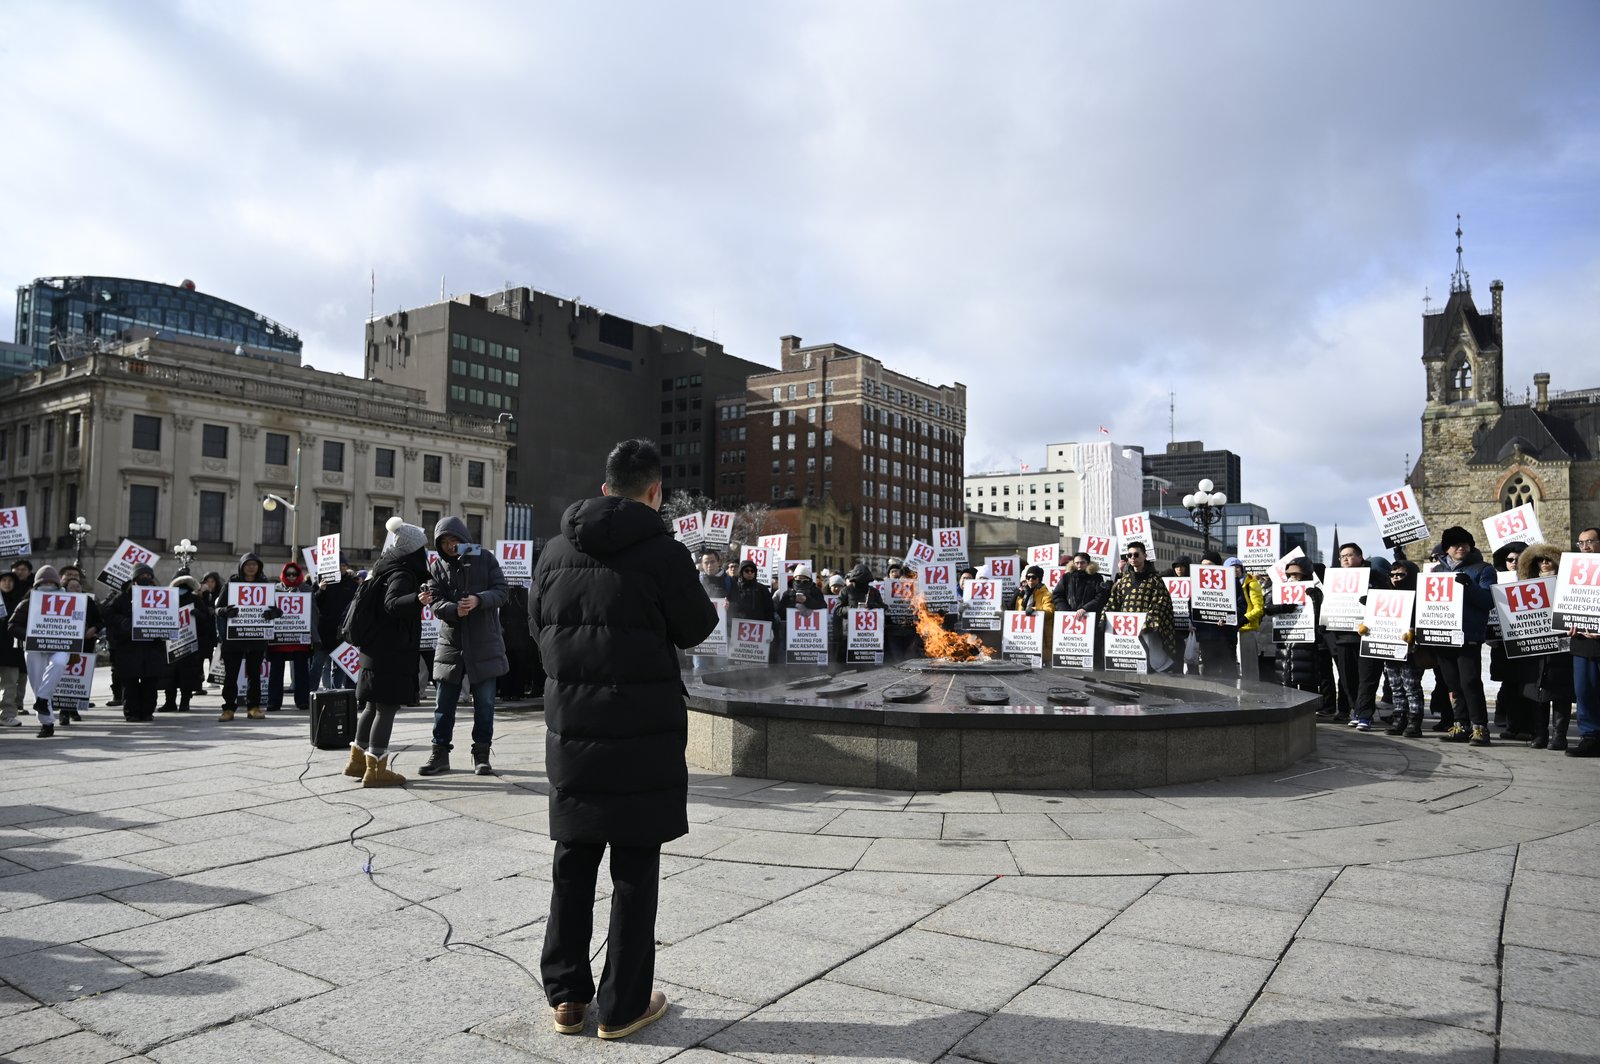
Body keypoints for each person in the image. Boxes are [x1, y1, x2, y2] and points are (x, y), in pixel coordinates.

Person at [530, 438, 718, 1040]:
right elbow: (695, 629)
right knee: (635, 864)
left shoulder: (555, 549)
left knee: (574, 855)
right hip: (643, 728)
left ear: (604, 485)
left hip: (574, 725)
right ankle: (622, 1005)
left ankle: (566, 995)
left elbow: (537, 628)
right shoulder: (665, 551)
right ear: (655, 491)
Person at [342, 517, 432, 787]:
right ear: (414, 550)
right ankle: (377, 768)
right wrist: (416, 599)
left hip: (374, 650)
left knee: (371, 706)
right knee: (386, 708)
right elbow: (393, 604)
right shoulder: (403, 573)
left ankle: (357, 761)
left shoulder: (383, 568)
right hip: (391, 652)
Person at [418, 516, 511, 777]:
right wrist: (452, 609)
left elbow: (502, 591)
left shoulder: (485, 558)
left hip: (484, 642)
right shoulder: (437, 567)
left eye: (454, 540)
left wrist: (478, 600)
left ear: (464, 539)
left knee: (485, 704)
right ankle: (439, 754)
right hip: (451, 643)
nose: (450, 546)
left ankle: (481, 755)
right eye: (444, 542)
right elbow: (434, 601)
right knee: (443, 704)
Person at [9, 565, 100, 738]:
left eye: (52, 581)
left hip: (61, 645)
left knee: (58, 663)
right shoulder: (29, 601)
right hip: (35, 647)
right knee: (37, 683)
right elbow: (12, 625)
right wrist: (30, 636)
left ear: (58, 583)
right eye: (44, 581)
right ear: (37, 583)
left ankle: (43, 699)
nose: (48, 584)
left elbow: (78, 621)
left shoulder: (71, 599)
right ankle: (47, 723)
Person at [1431, 526, 1497, 746]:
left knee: (1470, 681)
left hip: (1468, 634)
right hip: (1442, 634)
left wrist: (1469, 586)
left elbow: (1488, 601)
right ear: (1446, 548)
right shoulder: (1436, 572)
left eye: (1464, 544)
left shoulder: (1483, 569)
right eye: (1454, 544)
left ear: (1470, 546)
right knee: (1452, 683)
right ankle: (1461, 724)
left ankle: (1480, 727)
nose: (1460, 548)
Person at [1518, 544, 1572, 750]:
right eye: (1540, 560)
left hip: (1561, 642)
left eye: (1548, 559)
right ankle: (1540, 733)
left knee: (1561, 688)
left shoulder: (1567, 585)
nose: (1545, 563)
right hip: (1535, 643)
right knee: (1536, 689)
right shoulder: (1525, 587)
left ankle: (1560, 735)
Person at [213, 552, 279, 721]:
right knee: (231, 675)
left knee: (255, 675)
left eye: (254, 564)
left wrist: (273, 613)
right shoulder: (231, 584)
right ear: (242, 567)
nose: (251, 567)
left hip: (256, 637)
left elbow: (276, 609)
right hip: (234, 637)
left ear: (259, 567)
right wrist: (225, 611)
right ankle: (228, 708)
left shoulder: (265, 584)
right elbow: (217, 608)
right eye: (248, 564)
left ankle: (253, 707)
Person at [1325, 543, 1383, 725]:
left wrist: (1372, 600)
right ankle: (1356, 710)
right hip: (1343, 636)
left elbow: (1388, 599)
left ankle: (1365, 715)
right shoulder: (1334, 579)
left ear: (1360, 557)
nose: (1346, 559)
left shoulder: (1375, 576)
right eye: (1343, 556)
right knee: (1347, 679)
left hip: (1368, 636)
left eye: (1350, 555)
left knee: (1367, 678)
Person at [104, 564, 168, 721]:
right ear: (134, 579)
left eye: (148, 576)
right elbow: (109, 615)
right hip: (129, 647)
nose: (145, 578)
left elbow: (169, 617)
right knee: (130, 683)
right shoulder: (122, 598)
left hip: (152, 647)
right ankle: (131, 712)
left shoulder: (160, 596)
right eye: (142, 576)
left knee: (150, 683)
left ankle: (147, 712)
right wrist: (125, 623)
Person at [1103, 541, 1178, 671]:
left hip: (1148, 631)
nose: (1133, 558)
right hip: (1126, 633)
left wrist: (1149, 622)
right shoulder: (1123, 581)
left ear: (1144, 556)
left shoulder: (1155, 579)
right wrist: (1104, 618)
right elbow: (1113, 602)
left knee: (1151, 666)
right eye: (1129, 555)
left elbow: (1162, 602)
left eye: (1136, 554)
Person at [1377, 560, 1426, 736]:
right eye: (1392, 574)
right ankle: (1399, 718)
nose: (1396, 578)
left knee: (1411, 686)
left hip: (1410, 650)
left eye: (1400, 574)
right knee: (1395, 686)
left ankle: (1414, 721)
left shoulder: (1420, 595)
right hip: (1390, 648)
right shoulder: (1385, 596)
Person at [1265, 556, 1323, 695]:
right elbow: (1267, 608)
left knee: (1307, 684)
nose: (1292, 578)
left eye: (1296, 574)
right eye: (1289, 574)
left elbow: (1320, 616)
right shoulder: (1281, 591)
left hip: (1306, 645)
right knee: (1285, 683)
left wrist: (1314, 599)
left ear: (1305, 574)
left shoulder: (1315, 591)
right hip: (1285, 643)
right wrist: (1283, 608)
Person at [266, 561, 318, 712]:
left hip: (300, 638)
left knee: (302, 671)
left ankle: (302, 701)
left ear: (299, 575)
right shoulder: (275, 590)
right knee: (276, 671)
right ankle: (273, 702)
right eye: (288, 574)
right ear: (283, 575)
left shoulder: (306, 590)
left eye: (294, 574)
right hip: (278, 639)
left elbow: (313, 613)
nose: (291, 576)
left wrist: (314, 636)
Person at [1567, 527, 1600, 757]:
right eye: (1581, 543)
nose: (1585, 546)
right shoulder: (1572, 572)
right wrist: (1567, 621)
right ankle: (1590, 737)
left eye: (1590, 541)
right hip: (1583, 644)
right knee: (1584, 692)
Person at [161, 574, 210, 713]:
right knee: (169, 676)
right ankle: (170, 702)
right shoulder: (168, 600)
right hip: (171, 643)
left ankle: (184, 702)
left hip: (189, 644)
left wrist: (198, 615)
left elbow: (206, 621)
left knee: (186, 676)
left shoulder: (196, 600)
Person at [311, 555, 359, 692]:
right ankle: (311, 692)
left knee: (339, 667)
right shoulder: (322, 582)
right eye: (339, 565)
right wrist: (321, 590)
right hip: (325, 631)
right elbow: (314, 604)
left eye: (344, 565)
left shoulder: (352, 584)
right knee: (317, 665)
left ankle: (336, 693)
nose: (342, 568)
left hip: (343, 632)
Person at [1013, 564, 1055, 657]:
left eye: (1034, 577)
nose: (1030, 580)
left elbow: (1050, 612)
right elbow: (1017, 612)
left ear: (1039, 579)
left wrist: (1034, 610)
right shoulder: (1021, 595)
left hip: (1041, 636)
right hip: (1024, 636)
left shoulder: (1046, 594)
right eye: (1028, 577)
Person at [0, 571, 24, 726]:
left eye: (10, 580)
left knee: (10, 684)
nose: (7, 583)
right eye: (3, 580)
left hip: (12, 650)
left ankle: (7, 715)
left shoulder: (20, 602)